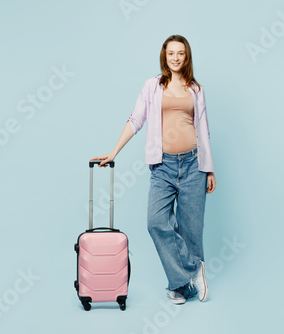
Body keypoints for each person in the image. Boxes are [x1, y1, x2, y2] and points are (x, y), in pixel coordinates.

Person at [91, 34, 216, 305]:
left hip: (194, 164)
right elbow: (136, 119)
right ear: (164, 56)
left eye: (180, 53)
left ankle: (180, 287)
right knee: (156, 222)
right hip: (163, 166)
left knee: (191, 229)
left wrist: (209, 168)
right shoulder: (153, 86)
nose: (175, 57)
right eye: (171, 53)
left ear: (186, 56)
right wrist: (114, 151)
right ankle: (195, 269)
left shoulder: (196, 89)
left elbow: (203, 129)